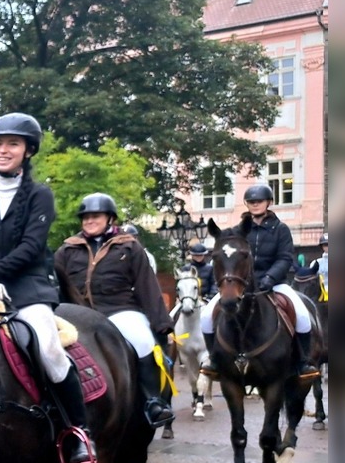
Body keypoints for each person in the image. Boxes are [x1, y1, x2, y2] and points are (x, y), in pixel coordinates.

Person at [0, 112, 93, 463]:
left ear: (28, 151)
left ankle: (77, 430)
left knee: (47, 346)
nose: (3, 150)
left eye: (12, 144)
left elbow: (31, 248)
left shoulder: (40, 195)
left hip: (30, 287)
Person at [54, 193, 176, 428]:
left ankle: (152, 401)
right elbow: (55, 283)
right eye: (85, 217)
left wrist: (162, 324)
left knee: (141, 341)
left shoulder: (129, 246)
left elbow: (146, 286)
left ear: (110, 218)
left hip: (119, 310)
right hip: (76, 312)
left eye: (95, 216)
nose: (89, 221)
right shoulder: (68, 249)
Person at [200, 183, 318, 378]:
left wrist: (270, 278)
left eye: (259, 201)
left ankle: (303, 362)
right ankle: (213, 359)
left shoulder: (281, 229)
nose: (255, 204)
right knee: (205, 317)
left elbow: (285, 258)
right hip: (240, 285)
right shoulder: (237, 231)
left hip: (274, 282)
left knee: (303, 315)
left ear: (269, 203)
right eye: (251, 202)